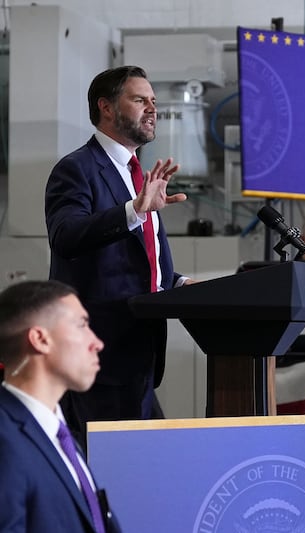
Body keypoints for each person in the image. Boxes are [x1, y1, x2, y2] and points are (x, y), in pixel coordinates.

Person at [45, 66, 192, 446]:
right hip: (99, 351)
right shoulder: (76, 169)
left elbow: (138, 255)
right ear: (106, 107)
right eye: (140, 99)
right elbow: (66, 236)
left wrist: (177, 284)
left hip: (139, 351)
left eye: (153, 101)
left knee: (145, 464)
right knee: (110, 471)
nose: (152, 108)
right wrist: (133, 211)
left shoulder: (140, 174)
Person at [0, 280, 122, 532]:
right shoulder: (5, 440)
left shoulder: (58, 433)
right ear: (40, 339)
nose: (97, 343)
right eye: (82, 325)